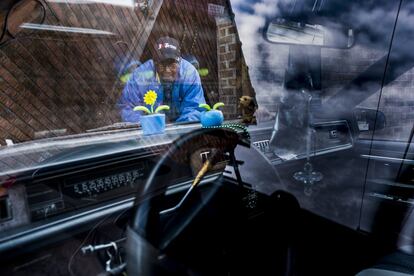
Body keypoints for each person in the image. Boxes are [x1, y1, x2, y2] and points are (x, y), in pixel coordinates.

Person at [118, 36, 206, 123]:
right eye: (161, 65)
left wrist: (177, 131)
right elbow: (128, 108)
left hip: (182, 134)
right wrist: (149, 126)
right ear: (154, 64)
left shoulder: (189, 74)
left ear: (180, 62)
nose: (167, 70)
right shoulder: (140, 76)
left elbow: (195, 108)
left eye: (172, 66)